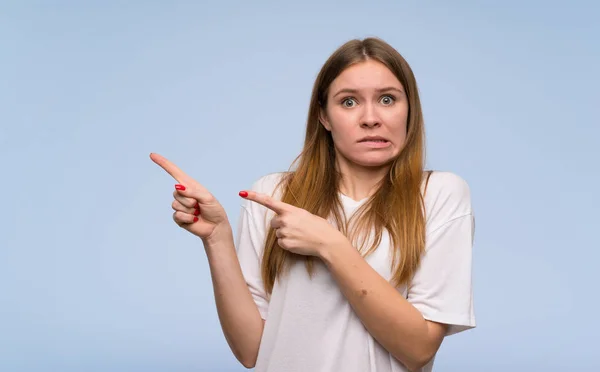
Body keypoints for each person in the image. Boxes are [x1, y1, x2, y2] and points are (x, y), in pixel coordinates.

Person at [150, 37, 475, 372]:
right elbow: (251, 351)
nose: (370, 118)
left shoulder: (439, 194)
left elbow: (418, 348)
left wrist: (329, 244)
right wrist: (216, 236)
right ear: (324, 116)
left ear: (409, 110)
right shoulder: (274, 195)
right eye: (348, 102)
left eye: (387, 99)